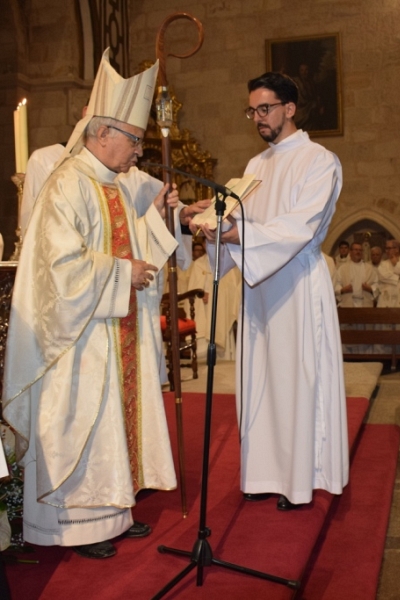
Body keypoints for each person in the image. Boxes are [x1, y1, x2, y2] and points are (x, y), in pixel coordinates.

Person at [2, 49, 197, 560]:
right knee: (81, 422)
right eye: (134, 140)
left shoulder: (110, 183)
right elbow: (59, 266)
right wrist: (121, 272)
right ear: (102, 133)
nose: (139, 150)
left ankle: (112, 510)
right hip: (77, 337)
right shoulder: (68, 183)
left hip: (111, 330)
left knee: (112, 423)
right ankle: (72, 525)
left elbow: (134, 249)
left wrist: (155, 223)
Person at [200, 71, 348, 511]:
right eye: (252, 111)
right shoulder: (254, 167)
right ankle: (262, 473)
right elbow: (238, 227)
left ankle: (298, 481)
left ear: (289, 108)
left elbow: (299, 226)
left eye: (265, 109)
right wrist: (212, 224)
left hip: (297, 285)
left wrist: (236, 233)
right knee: (259, 380)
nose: (258, 118)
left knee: (296, 380)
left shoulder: (320, 160)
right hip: (258, 287)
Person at [334, 242, 379, 307]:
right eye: (356, 250)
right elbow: (337, 283)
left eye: (360, 250)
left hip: (365, 302)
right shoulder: (342, 268)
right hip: (348, 302)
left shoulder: (369, 268)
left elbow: (376, 283)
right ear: (350, 252)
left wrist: (370, 289)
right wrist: (343, 290)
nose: (358, 252)